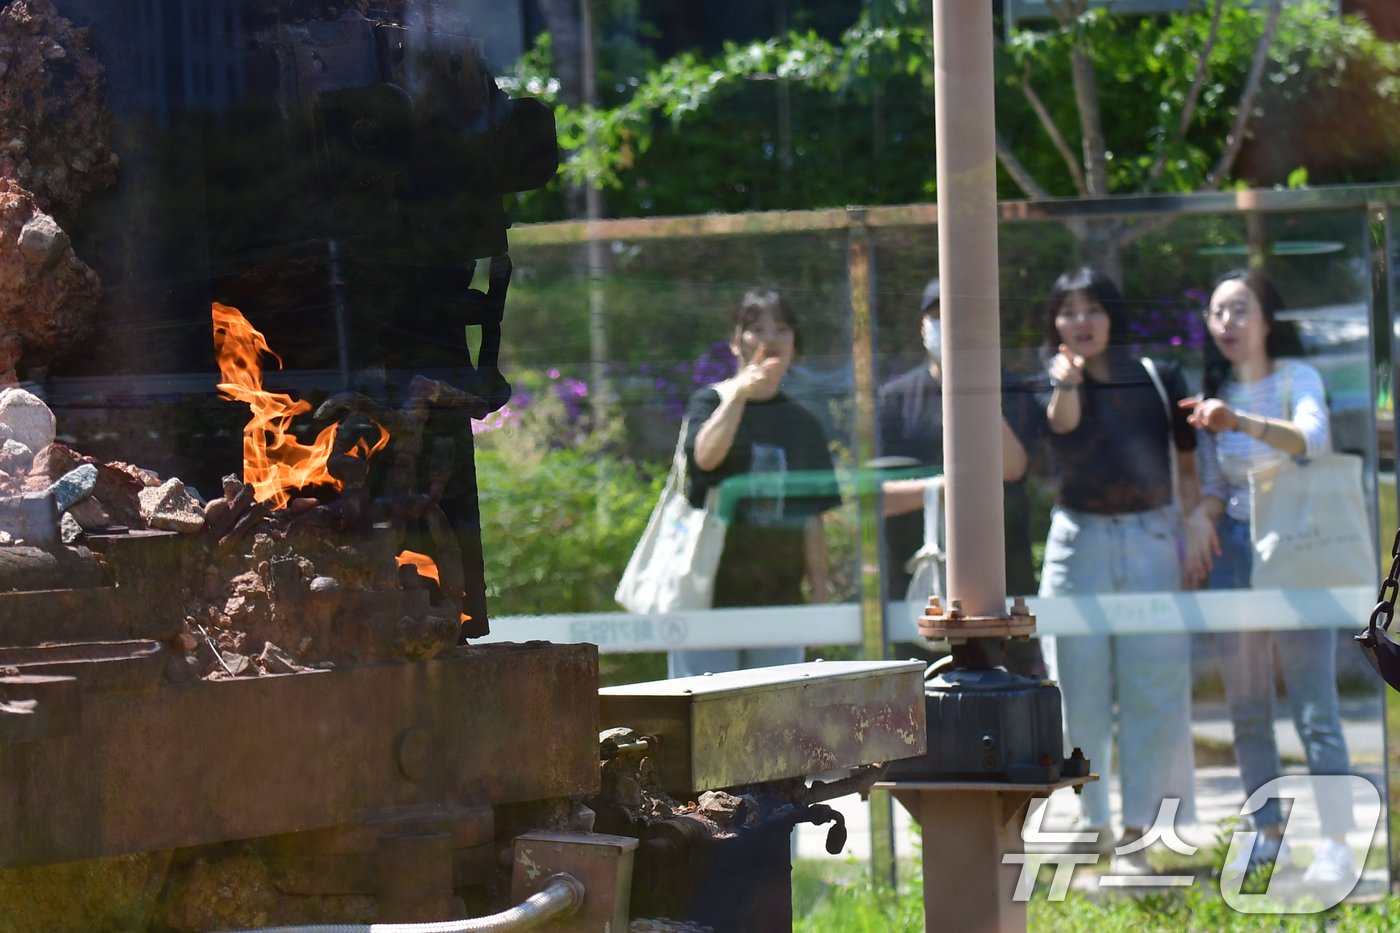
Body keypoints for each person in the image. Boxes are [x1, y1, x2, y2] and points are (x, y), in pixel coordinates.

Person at [1181, 268, 1356, 883]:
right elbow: (1212, 486)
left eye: (1239, 309)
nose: (1226, 322)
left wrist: (1241, 424)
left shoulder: (1296, 378)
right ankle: (1268, 834)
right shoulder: (1213, 390)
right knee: (1248, 707)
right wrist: (1200, 520)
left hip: (1299, 550)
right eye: (1217, 312)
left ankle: (1336, 842)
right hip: (1235, 552)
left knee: (1314, 707)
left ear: (1268, 319)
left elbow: (1312, 439)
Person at [1036, 266, 1199, 874]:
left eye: (1094, 308)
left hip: (1153, 537)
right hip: (1080, 543)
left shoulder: (1159, 375)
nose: (1082, 321)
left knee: (1153, 689)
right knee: (1077, 689)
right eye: (1069, 310)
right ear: (1054, 322)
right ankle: (1091, 823)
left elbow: (1187, 460)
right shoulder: (1053, 381)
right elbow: (1061, 427)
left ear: (1113, 315)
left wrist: (1197, 523)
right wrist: (1067, 382)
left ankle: (1139, 833)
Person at [668, 289, 842, 678]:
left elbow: (812, 515)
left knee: (773, 722)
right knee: (702, 718)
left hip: (779, 601)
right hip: (705, 597)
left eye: (781, 328)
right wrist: (740, 394)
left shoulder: (803, 424)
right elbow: (705, 458)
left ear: (794, 341)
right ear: (735, 341)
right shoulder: (708, 403)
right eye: (756, 328)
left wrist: (818, 591)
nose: (769, 339)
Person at [877, 278, 1043, 675]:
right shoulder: (895, 398)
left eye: (962, 319)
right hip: (920, 593)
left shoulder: (1011, 391)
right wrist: (947, 488)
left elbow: (1013, 468)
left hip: (1002, 591)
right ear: (922, 326)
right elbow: (877, 497)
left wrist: (975, 386)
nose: (949, 327)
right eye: (938, 316)